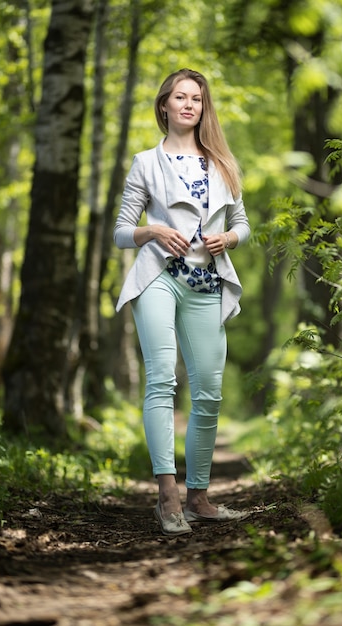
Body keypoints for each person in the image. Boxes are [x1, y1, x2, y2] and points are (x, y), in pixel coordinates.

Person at [114, 68, 250, 536]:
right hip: (158, 278)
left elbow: (243, 223)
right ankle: (166, 493)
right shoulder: (145, 163)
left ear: (201, 108)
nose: (189, 104)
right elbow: (119, 232)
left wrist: (228, 238)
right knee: (161, 379)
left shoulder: (223, 163)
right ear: (165, 105)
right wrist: (151, 230)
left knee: (209, 390)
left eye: (196, 98)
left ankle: (199, 496)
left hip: (207, 284)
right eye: (180, 97)